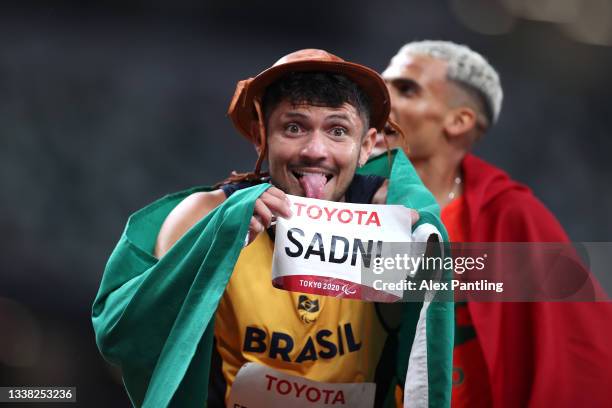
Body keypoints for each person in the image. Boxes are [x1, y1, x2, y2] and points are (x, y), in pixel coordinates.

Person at [92, 49, 453, 408]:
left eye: (338, 130)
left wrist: (414, 257)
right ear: (261, 136)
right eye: (293, 127)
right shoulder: (203, 217)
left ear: (367, 147)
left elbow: (435, 341)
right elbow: (124, 338)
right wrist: (213, 250)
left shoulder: (399, 223)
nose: (315, 150)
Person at [379, 40, 612, 407]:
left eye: (406, 89)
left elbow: (581, 354)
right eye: (382, 83)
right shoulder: (340, 199)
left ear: (459, 121)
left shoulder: (511, 216)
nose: (380, 98)